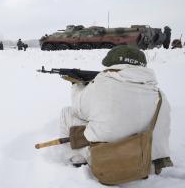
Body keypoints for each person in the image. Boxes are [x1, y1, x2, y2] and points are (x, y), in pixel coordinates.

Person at [59, 45, 173, 174]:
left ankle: (77, 159)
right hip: (145, 160)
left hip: (108, 161)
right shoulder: (159, 94)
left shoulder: (101, 85)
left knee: (66, 112)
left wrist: (78, 86)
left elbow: (78, 110)